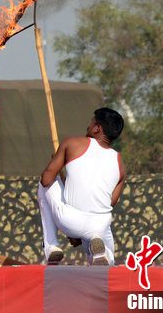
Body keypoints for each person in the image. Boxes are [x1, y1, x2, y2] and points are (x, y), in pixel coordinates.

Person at [37, 108, 126, 265]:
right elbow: (109, 202)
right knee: (107, 256)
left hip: (70, 220)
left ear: (97, 128)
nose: (88, 126)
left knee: (44, 183)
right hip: (100, 225)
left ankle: (52, 246)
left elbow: (46, 179)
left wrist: (55, 163)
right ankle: (101, 253)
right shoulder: (119, 162)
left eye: (91, 123)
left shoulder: (71, 144)